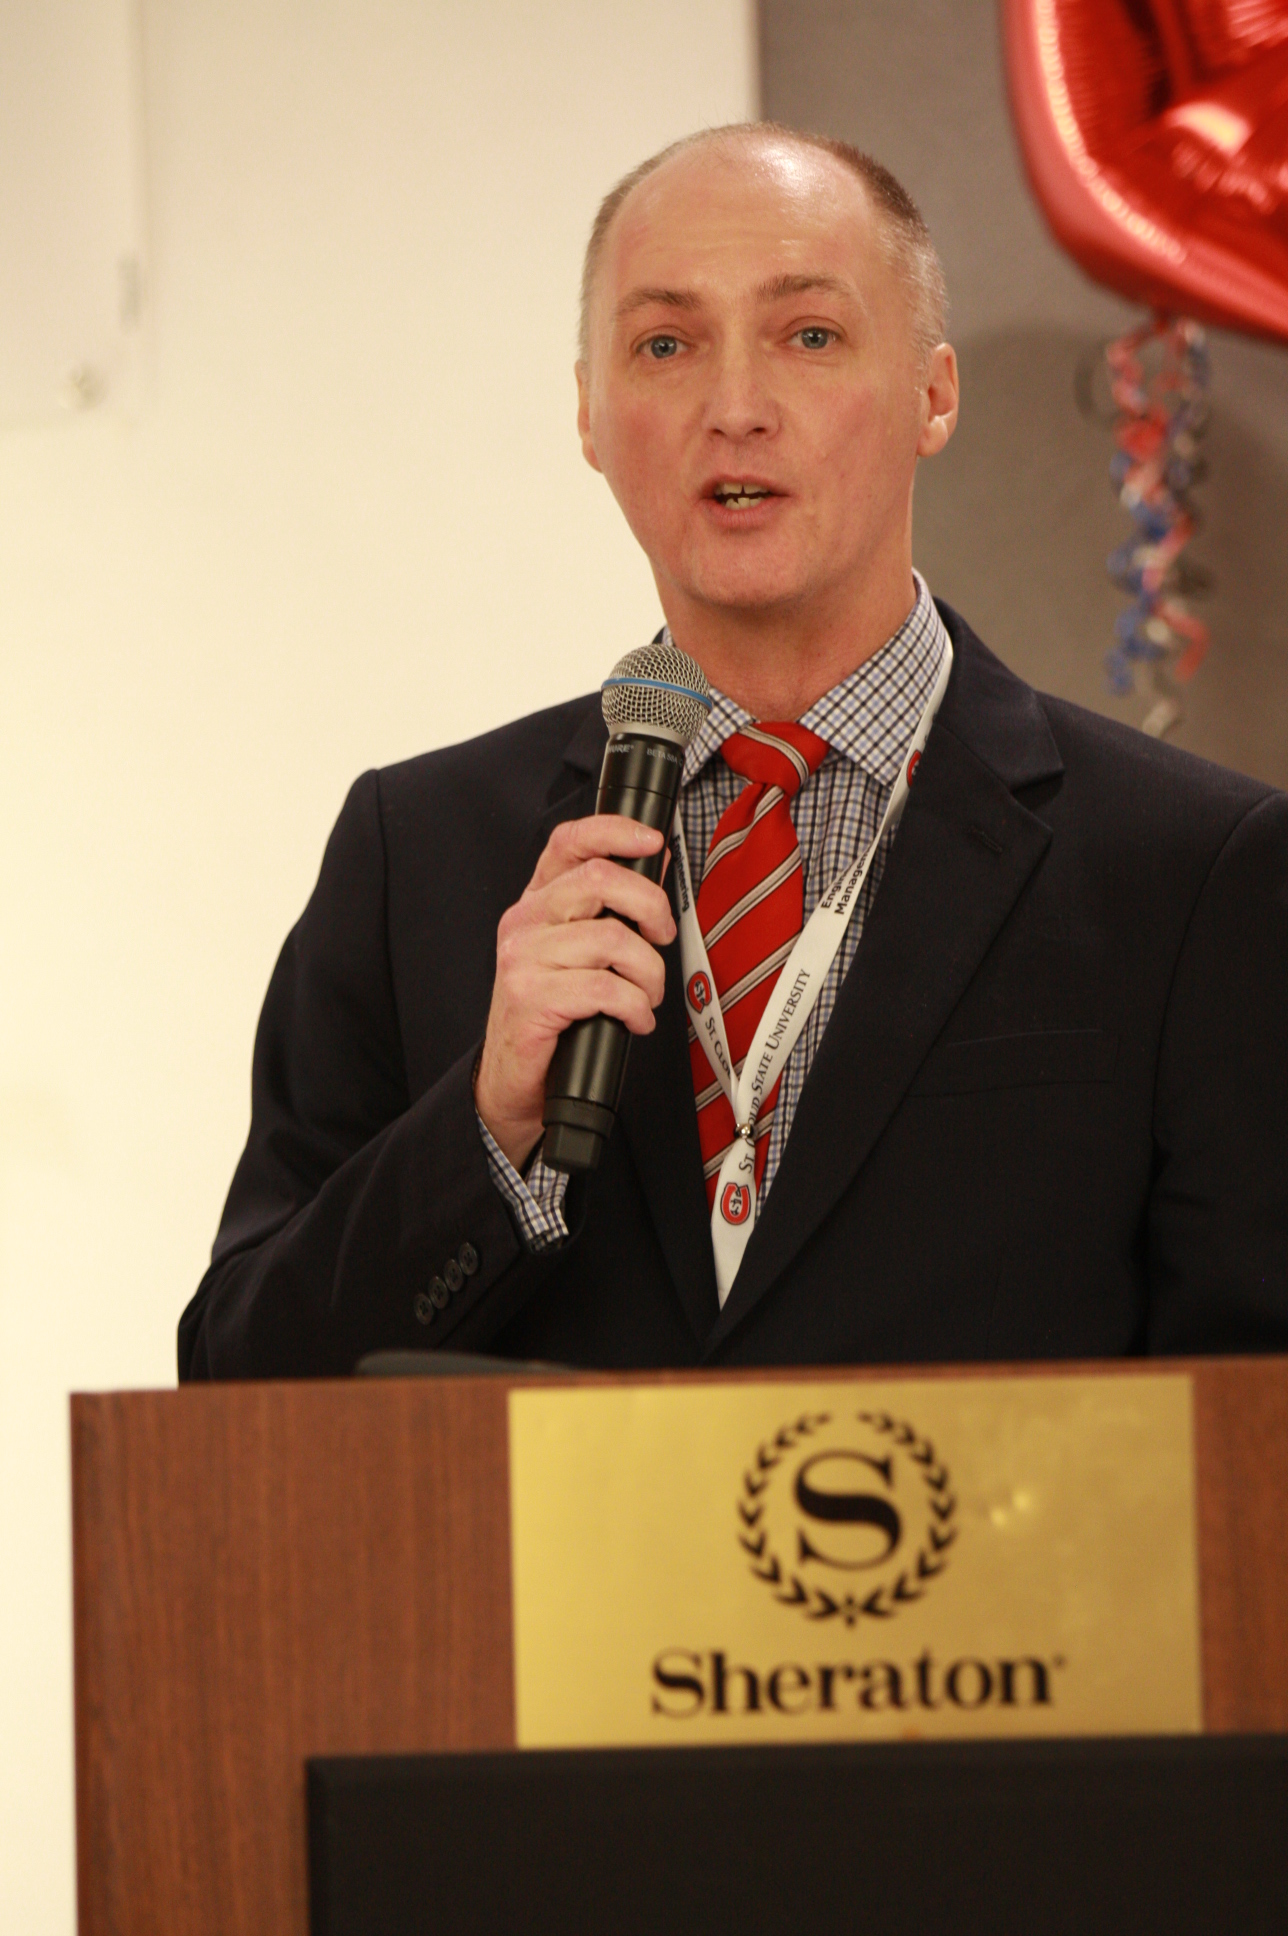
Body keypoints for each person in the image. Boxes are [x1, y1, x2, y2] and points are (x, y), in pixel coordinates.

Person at [179, 122, 1288, 1380]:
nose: (735, 409)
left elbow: (1254, 1440)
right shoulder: (416, 853)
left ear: (934, 393)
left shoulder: (1197, 872)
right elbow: (235, 1387)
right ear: (592, 415)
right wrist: (484, 1130)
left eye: (807, 336)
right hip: (548, 1585)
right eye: (665, 345)